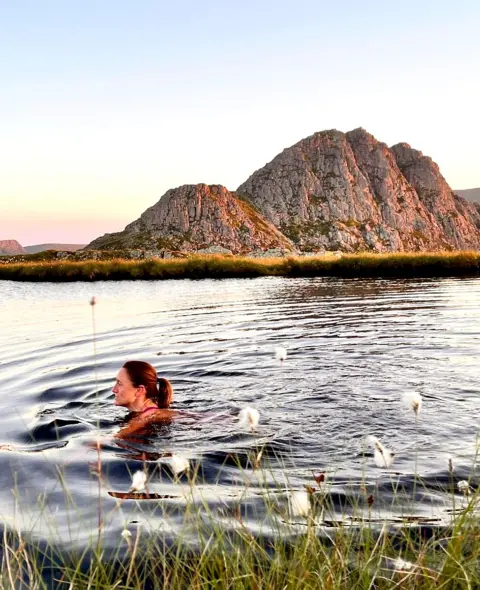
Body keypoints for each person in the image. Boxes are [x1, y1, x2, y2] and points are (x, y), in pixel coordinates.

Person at [112, 361, 176, 439]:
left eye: (119, 383)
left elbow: (111, 440)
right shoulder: (152, 413)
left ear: (139, 390)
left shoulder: (142, 419)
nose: (114, 390)